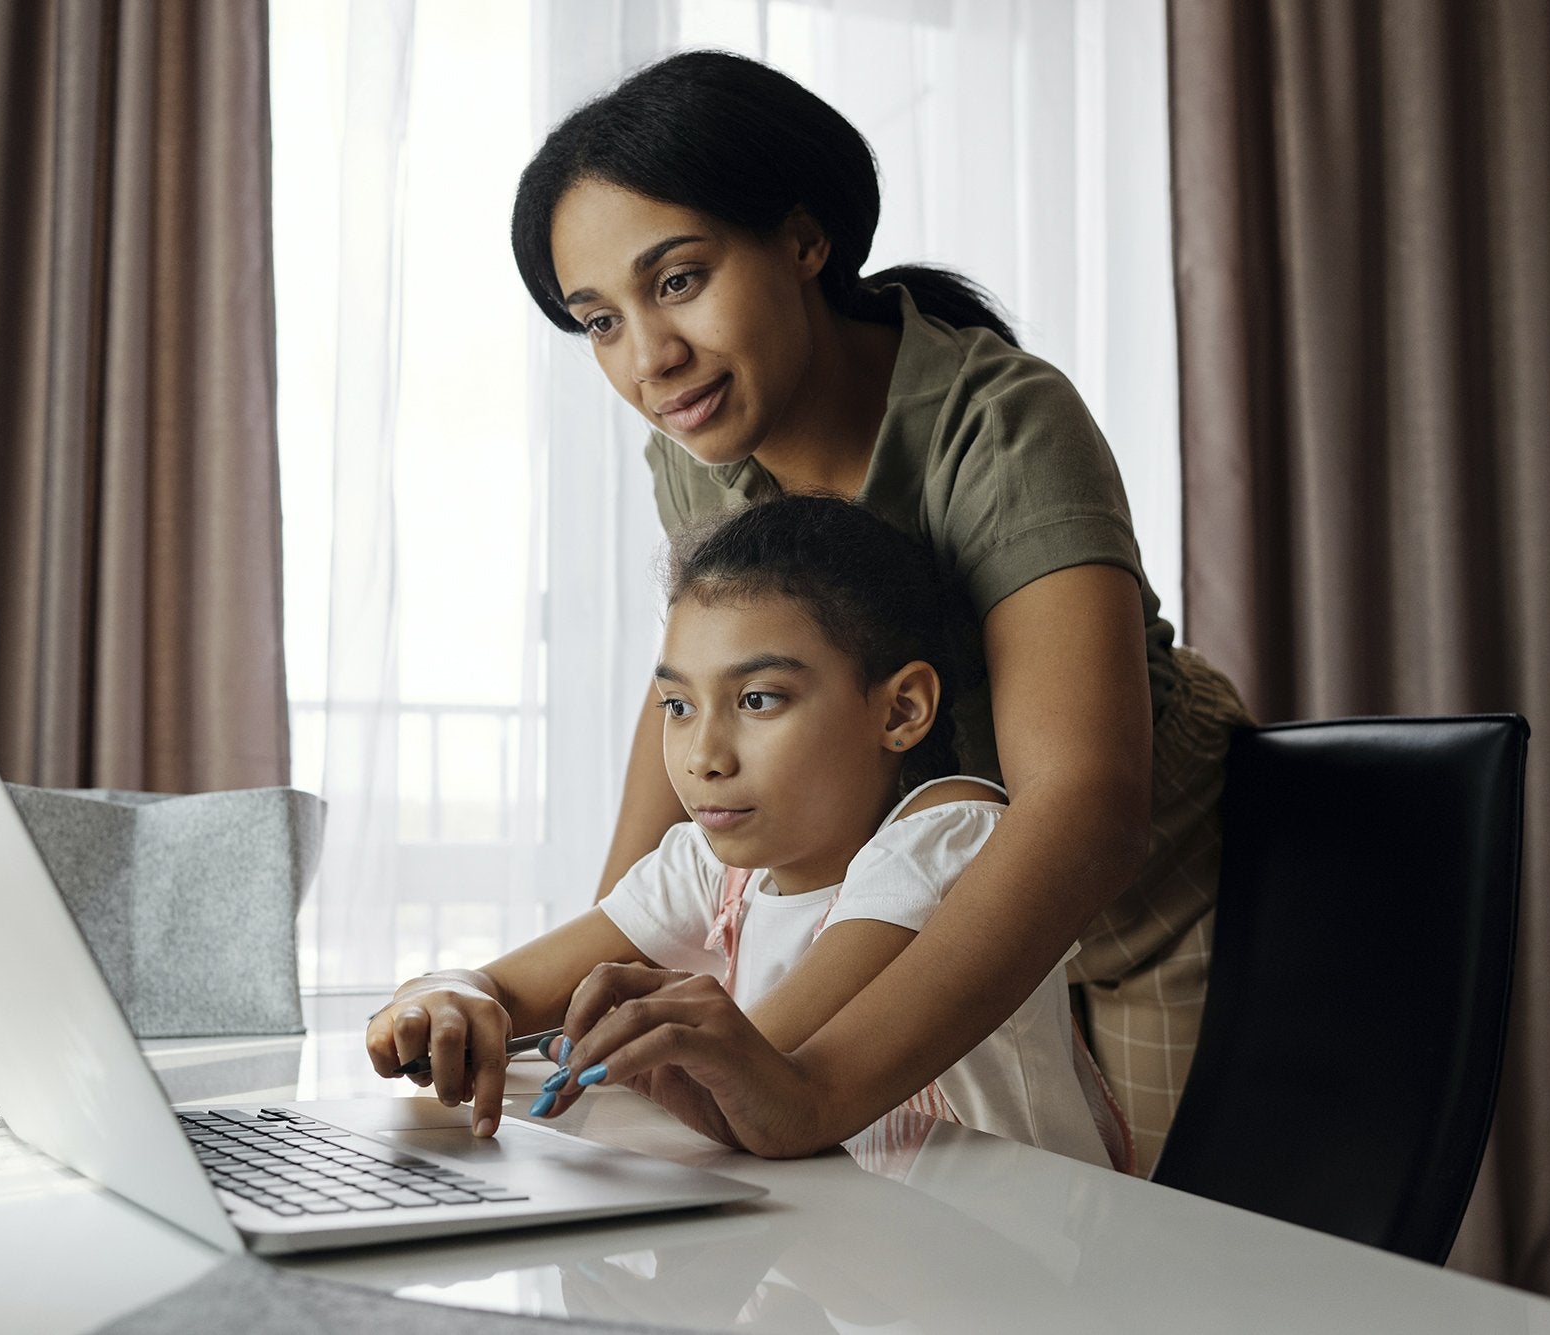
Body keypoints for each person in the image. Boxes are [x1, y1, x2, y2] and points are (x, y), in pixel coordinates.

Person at [504, 50, 1253, 1171]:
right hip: (909, 890)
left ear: (804, 241)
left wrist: (811, 1091)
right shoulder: (697, 444)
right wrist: (587, 989)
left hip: (1139, 892)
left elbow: (1085, 805)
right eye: (598, 320)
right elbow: (695, 693)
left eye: (676, 282)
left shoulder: (999, 423)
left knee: (1163, 1265)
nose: (649, 360)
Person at [367, 495, 1120, 1170]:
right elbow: (506, 985)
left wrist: (613, 1042)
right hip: (848, 1257)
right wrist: (446, 996)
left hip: (1004, 1266)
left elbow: (757, 1069)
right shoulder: (714, 867)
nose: (702, 757)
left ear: (900, 710)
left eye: (758, 699)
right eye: (678, 705)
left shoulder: (951, 836)